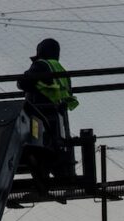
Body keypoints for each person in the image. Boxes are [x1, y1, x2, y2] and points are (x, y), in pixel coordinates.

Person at [17, 38, 80, 180]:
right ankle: (59, 175)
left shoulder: (41, 65)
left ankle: (41, 181)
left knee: (35, 148)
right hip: (57, 118)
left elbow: (23, 83)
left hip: (39, 115)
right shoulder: (61, 70)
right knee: (50, 149)